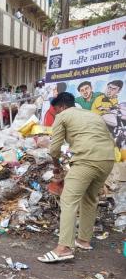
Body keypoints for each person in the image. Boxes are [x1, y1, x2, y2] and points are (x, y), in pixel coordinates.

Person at [38, 92, 114, 263]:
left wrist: (57, 167)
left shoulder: (62, 116)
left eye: (56, 110)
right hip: (108, 159)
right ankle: (84, 240)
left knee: (68, 199)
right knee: (90, 198)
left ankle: (64, 247)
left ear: (62, 107)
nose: (56, 114)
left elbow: (54, 149)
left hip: (87, 159)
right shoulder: (92, 115)